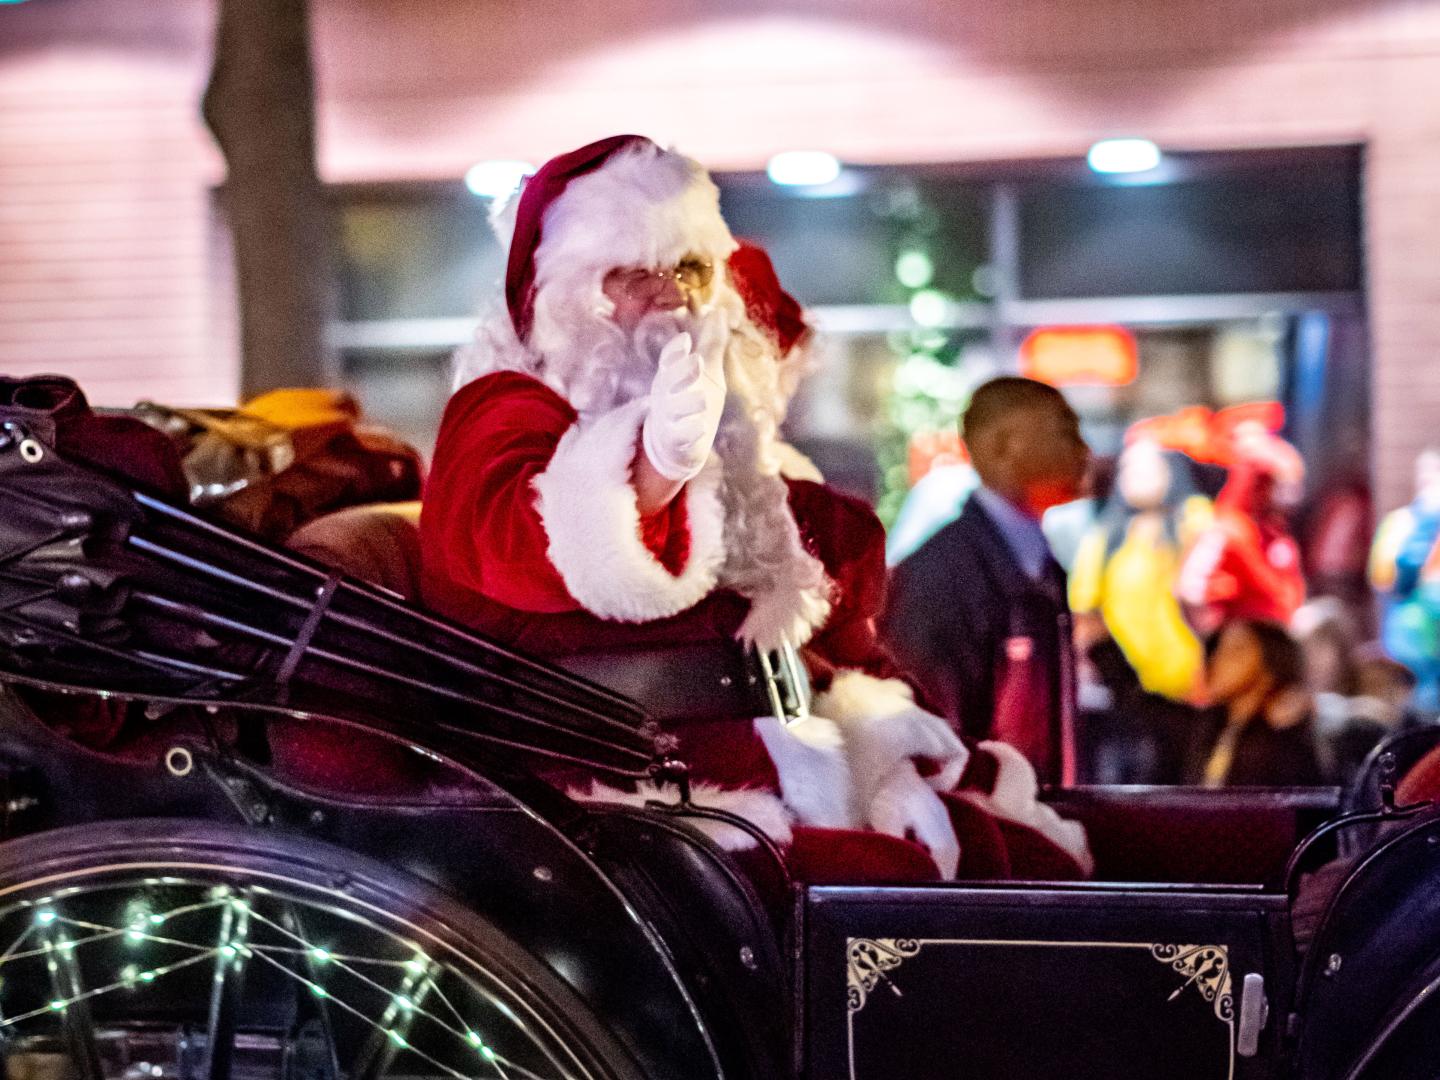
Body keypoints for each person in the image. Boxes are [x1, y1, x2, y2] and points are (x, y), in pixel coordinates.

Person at [419, 135, 1090, 880]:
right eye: (635, 272)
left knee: (1000, 855)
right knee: (892, 885)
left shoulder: (725, 442)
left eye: (691, 268)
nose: (672, 294)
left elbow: (812, 626)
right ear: (568, 293)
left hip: (747, 767)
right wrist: (649, 472)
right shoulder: (503, 408)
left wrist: (880, 759)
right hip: (597, 801)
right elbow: (518, 542)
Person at [880, 377, 1091, 785]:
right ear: (1002, 446)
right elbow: (933, 745)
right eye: (1066, 431)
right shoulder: (938, 575)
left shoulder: (1034, 562)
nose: (1084, 451)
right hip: (989, 831)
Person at [1087, 618, 1324, 787]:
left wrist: (1293, 724)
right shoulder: (1205, 727)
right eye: (1218, 649)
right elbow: (1143, 705)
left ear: (1271, 666)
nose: (1218, 660)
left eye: (1235, 651)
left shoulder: (1285, 737)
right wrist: (1103, 644)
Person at [1069, 439, 1211, 701]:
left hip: (1198, 676)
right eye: (1128, 469)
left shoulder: (1195, 520)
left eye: (1149, 468)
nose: (1137, 476)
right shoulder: (1106, 536)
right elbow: (1084, 607)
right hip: (1129, 679)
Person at [1177, 422, 1306, 635]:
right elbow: (1191, 590)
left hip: (1276, 638)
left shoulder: (1275, 534)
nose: (1286, 496)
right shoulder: (1228, 530)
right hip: (1244, 639)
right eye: (1277, 484)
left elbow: (1289, 592)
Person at [1369, 447, 1440, 715]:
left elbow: (1382, 580)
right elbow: (1384, 579)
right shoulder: (1401, 523)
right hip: (1412, 640)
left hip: (1409, 637)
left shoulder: (1399, 523)